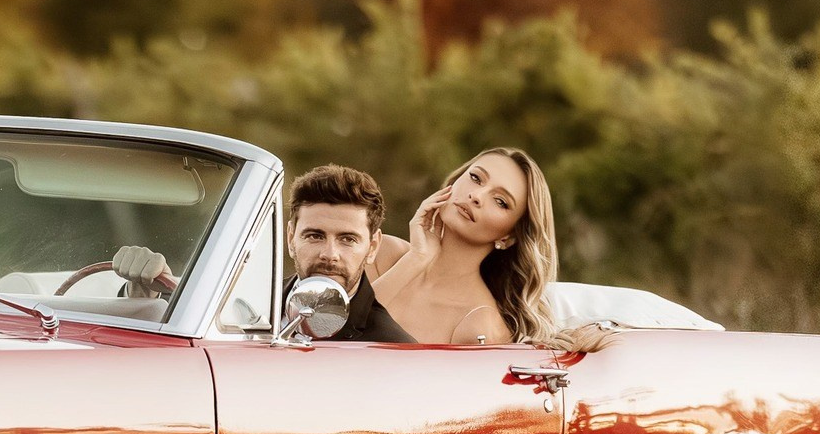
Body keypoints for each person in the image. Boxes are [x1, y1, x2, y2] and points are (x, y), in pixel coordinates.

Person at [110, 163, 413, 343]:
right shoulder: (238, 305)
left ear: (372, 247)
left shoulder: (391, 349)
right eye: (314, 235)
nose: (329, 254)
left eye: (347, 239)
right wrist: (142, 296)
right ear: (291, 236)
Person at [366, 147, 558, 345]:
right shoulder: (379, 253)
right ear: (452, 183)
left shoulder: (479, 325)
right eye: (475, 178)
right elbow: (339, 335)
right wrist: (417, 258)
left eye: (500, 202)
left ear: (509, 237)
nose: (477, 196)